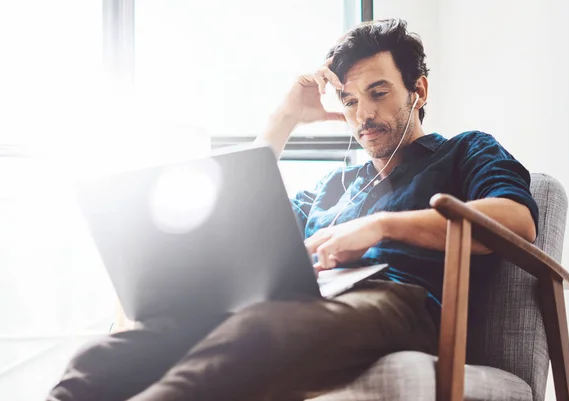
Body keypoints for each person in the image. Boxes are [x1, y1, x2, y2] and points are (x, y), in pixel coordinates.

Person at [48, 18, 538, 401]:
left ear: (419, 91)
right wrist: (284, 119)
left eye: (378, 92)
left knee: (259, 329)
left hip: (400, 303)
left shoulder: (465, 151)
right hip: (310, 300)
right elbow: (240, 224)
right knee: (106, 357)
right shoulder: (332, 185)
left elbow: (518, 221)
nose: (362, 115)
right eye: (348, 101)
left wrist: (380, 226)